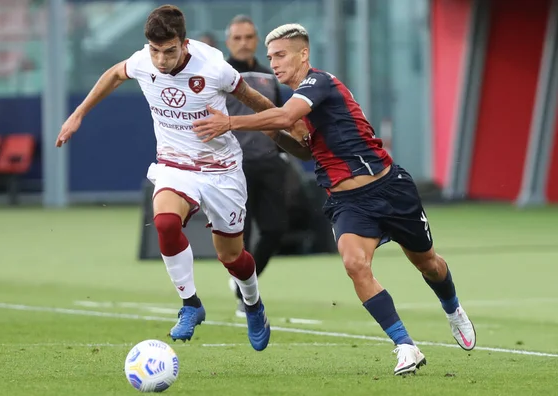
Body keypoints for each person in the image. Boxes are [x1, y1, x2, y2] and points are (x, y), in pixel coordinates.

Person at [192, 23, 476, 375]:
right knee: (355, 265)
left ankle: (453, 309)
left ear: (303, 54)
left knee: (428, 263)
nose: (274, 63)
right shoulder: (297, 100)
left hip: (389, 189)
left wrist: (232, 122)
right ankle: (405, 346)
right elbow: (304, 152)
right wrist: (274, 133)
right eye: (270, 57)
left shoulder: (319, 83)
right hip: (347, 203)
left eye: (280, 55)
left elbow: (285, 116)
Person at [54, 5, 304, 352]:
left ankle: (253, 304)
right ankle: (191, 305)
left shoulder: (214, 68)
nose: (160, 59)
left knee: (232, 256)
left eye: (169, 51)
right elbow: (114, 74)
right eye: (155, 50)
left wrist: (288, 121)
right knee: (166, 224)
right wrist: (78, 114)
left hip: (221, 170)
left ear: (184, 44)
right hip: (175, 165)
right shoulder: (144, 60)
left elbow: (253, 98)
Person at [224, 15, 289, 317]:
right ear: (229, 42)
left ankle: (241, 286)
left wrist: (283, 151)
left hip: (270, 163)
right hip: (234, 166)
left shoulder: (270, 76)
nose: (243, 43)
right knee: (242, 236)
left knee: (276, 230)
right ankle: (245, 297)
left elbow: (279, 118)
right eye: (237, 38)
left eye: (248, 37)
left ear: (256, 39)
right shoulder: (218, 75)